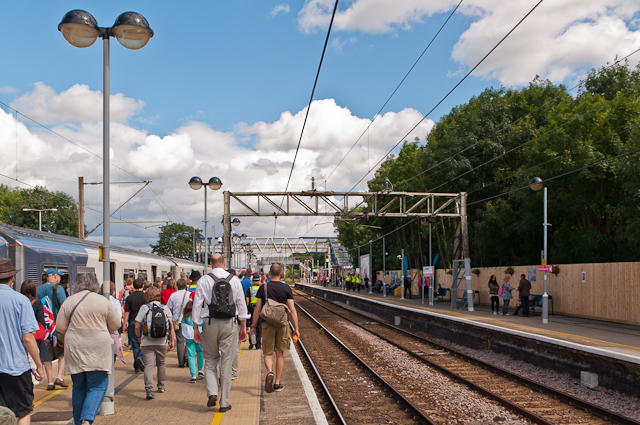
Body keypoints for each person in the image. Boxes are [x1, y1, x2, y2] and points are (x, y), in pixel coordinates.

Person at [56, 273, 120, 425]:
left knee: (78, 387)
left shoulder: (69, 301)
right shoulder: (102, 301)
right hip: (98, 346)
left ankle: (79, 421)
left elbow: (60, 327)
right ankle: (87, 418)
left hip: (75, 347)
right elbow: (116, 324)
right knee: (97, 385)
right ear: (95, 285)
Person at [193, 254, 248, 412]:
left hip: (209, 323)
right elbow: (241, 305)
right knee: (226, 363)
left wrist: (196, 327)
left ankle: (211, 394)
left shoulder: (204, 280)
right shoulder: (234, 280)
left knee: (210, 360)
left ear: (211, 264)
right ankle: (224, 403)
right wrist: (243, 326)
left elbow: (197, 305)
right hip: (230, 324)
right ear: (224, 263)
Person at [0, 258, 44, 425]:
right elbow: (28, 337)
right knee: (23, 411)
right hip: (16, 368)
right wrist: (39, 365)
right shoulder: (20, 301)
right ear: (12, 278)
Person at [249, 263, 300, 394]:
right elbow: (292, 310)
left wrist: (253, 326)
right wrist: (296, 328)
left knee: (268, 353)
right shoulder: (286, 288)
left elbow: (258, 309)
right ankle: (277, 383)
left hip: (266, 324)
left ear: (269, 274)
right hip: (282, 324)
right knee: (280, 354)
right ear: (281, 273)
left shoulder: (263, 287)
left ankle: (270, 372)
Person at [135, 287, 175, 400]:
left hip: (147, 342)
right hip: (162, 341)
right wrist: (171, 340)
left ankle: (149, 390)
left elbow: (137, 325)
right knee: (161, 364)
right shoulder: (165, 308)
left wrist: (139, 337)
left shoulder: (144, 308)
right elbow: (171, 326)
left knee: (148, 365)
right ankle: (161, 386)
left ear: (147, 296)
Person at [36, 267, 68, 390]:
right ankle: (59, 377)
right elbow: (64, 307)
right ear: (54, 276)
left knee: (47, 354)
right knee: (62, 352)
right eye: (58, 276)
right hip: (57, 326)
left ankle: (49, 381)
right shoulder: (58, 288)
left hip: (44, 328)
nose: (59, 278)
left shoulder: (38, 290)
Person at [20, 280, 52, 389]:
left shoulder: (19, 302)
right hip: (34, 337)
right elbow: (42, 322)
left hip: (21, 338)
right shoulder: (37, 303)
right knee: (43, 358)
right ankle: (50, 380)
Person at [123, 278, 146, 372]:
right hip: (144, 323)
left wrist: (125, 324)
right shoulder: (146, 297)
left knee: (135, 344)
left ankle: (137, 366)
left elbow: (126, 312)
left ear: (133, 286)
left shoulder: (129, 297)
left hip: (133, 322)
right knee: (145, 343)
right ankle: (141, 358)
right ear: (143, 286)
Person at [166, 278, 190, 368]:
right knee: (189, 340)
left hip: (177, 321)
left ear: (177, 286)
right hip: (188, 321)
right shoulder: (189, 295)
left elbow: (169, 309)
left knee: (180, 341)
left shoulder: (173, 295)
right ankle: (187, 357)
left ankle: (181, 362)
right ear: (186, 286)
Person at [180, 301, 203, 383]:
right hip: (199, 333)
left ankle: (193, 375)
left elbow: (183, 321)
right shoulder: (201, 310)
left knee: (191, 355)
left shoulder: (185, 311)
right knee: (200, 352)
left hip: (189, 334)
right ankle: (200, 370)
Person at [105, 282, 125, 364]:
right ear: (113, 291)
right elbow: (119, 316)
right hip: (112, 330)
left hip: (100, 331)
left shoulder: (98, 300)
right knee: (113, 349)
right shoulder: (116, 302)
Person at [245, 273, 262, 350]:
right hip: (260, 308)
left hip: (252, 309)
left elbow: (247, 301)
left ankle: (252, 342)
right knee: (259, 327)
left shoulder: (250, 289)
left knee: (252, 326)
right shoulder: (261, 288)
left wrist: (247, 309)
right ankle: (258, 345)